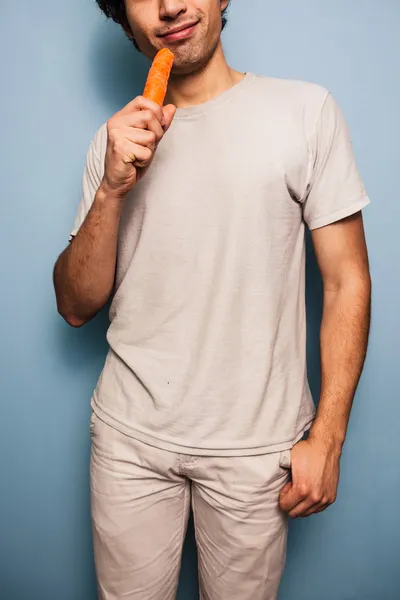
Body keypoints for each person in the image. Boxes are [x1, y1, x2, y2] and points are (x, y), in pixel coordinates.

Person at [53, 1, 372, 598]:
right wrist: (112, 188)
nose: (170, 5)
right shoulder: (117, 139)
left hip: (257, 449)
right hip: (131, 440)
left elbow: (346, 280)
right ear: (125, 18)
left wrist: (327, 438)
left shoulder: (305, 112)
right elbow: (75, 304)